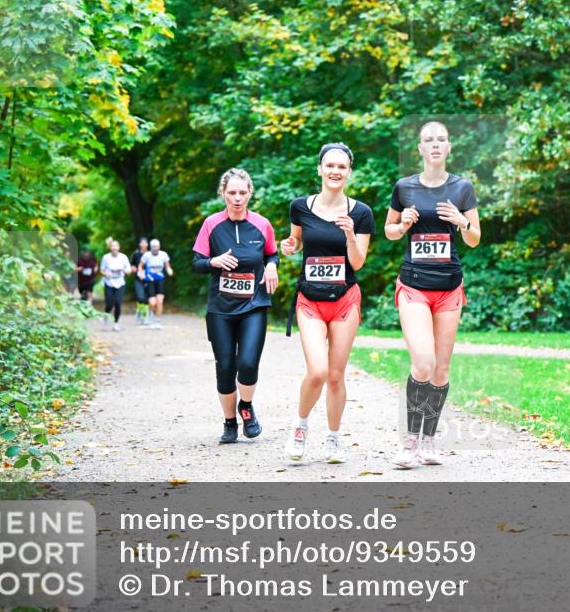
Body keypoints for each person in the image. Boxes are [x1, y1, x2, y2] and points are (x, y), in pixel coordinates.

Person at [384, 121, 481, 468]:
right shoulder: (404, 187)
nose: (436, 144)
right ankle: (409, 441)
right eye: (429, 140)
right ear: (421, 149)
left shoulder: (462, 188)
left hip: (449, 288)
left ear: (449, 147)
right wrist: (403, 224)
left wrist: (460, 220)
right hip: (413, 285)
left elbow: (474, 238)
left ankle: (429, 440)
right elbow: (390, 232)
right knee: (422, 362)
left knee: (440, 370)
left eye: (441, 139)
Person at [281, 143, 374, 464]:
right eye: (330, 165)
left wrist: (350, 235)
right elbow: (295, 240)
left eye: (342, 167)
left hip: (345, 299)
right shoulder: (300, 207)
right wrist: (289, 246)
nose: (335, 171)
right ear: (320, 169)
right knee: (317, 371)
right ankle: (300, 426)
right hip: (310, 300)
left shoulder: (360, 213)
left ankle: (333, 439)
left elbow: (358, 262)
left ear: (349, 172)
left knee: (336, 375)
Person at [192, 168, 279, 444]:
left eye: (243, 192)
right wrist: (213, 262)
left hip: (254, 304)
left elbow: (272, 253)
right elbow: (196, 262)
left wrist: (271, 266)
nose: (237, 198)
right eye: (232, 193)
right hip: (220, 308)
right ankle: (230, 422)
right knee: (226, 366)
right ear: (223, 194)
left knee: (248, 363)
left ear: (250, 193)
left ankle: (246, 406)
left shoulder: (262, 224)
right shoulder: (211, 224)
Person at [138, 239, 173, 329]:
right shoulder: (147, 255)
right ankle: (150, 313)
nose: (155, 248)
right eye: (153, 247)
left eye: (156, 246)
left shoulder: (163, 255)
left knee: (160, 301)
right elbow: (140, 266)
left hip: (160, 280)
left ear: (159, 246)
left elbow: (167, 266)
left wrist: (169, 270)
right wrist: (141, 273)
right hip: (150, 281)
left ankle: (158, 321)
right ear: (151, 247)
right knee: (153, 303)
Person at [100, 239, 132, 331]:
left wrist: (125, 271)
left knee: (118, 303)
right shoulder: (106, 257)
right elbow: (101, 270)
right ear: (110, 247)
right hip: (109, 283)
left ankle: (116, 323)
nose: (114, 248)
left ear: (119, 247)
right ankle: (106, 316)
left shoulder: (123, 257)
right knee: (109, 304)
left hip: (120, 283)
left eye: (116, 246)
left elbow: (129, 270)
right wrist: (106, 274)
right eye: (112, 246)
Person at [130, 237, 150, 324]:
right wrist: (133, 268)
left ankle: (144, 315)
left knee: (147, 299)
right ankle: (140, 312)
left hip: (149, 279)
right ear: (139, 244)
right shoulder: (136, 254)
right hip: (138, 279)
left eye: (145, 243)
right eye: (142, 243)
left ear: (147, 244)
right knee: (140, 297)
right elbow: (132, 264)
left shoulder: (150, 254)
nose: (144, 245)